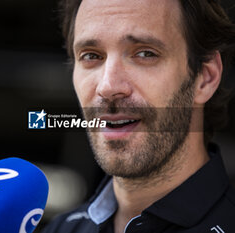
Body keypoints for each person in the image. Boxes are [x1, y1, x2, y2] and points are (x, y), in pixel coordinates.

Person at [41, 0, 235, 232]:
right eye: (91, 56)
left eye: (144, 53)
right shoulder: (61, 229)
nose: (108, 86)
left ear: (205, 77)